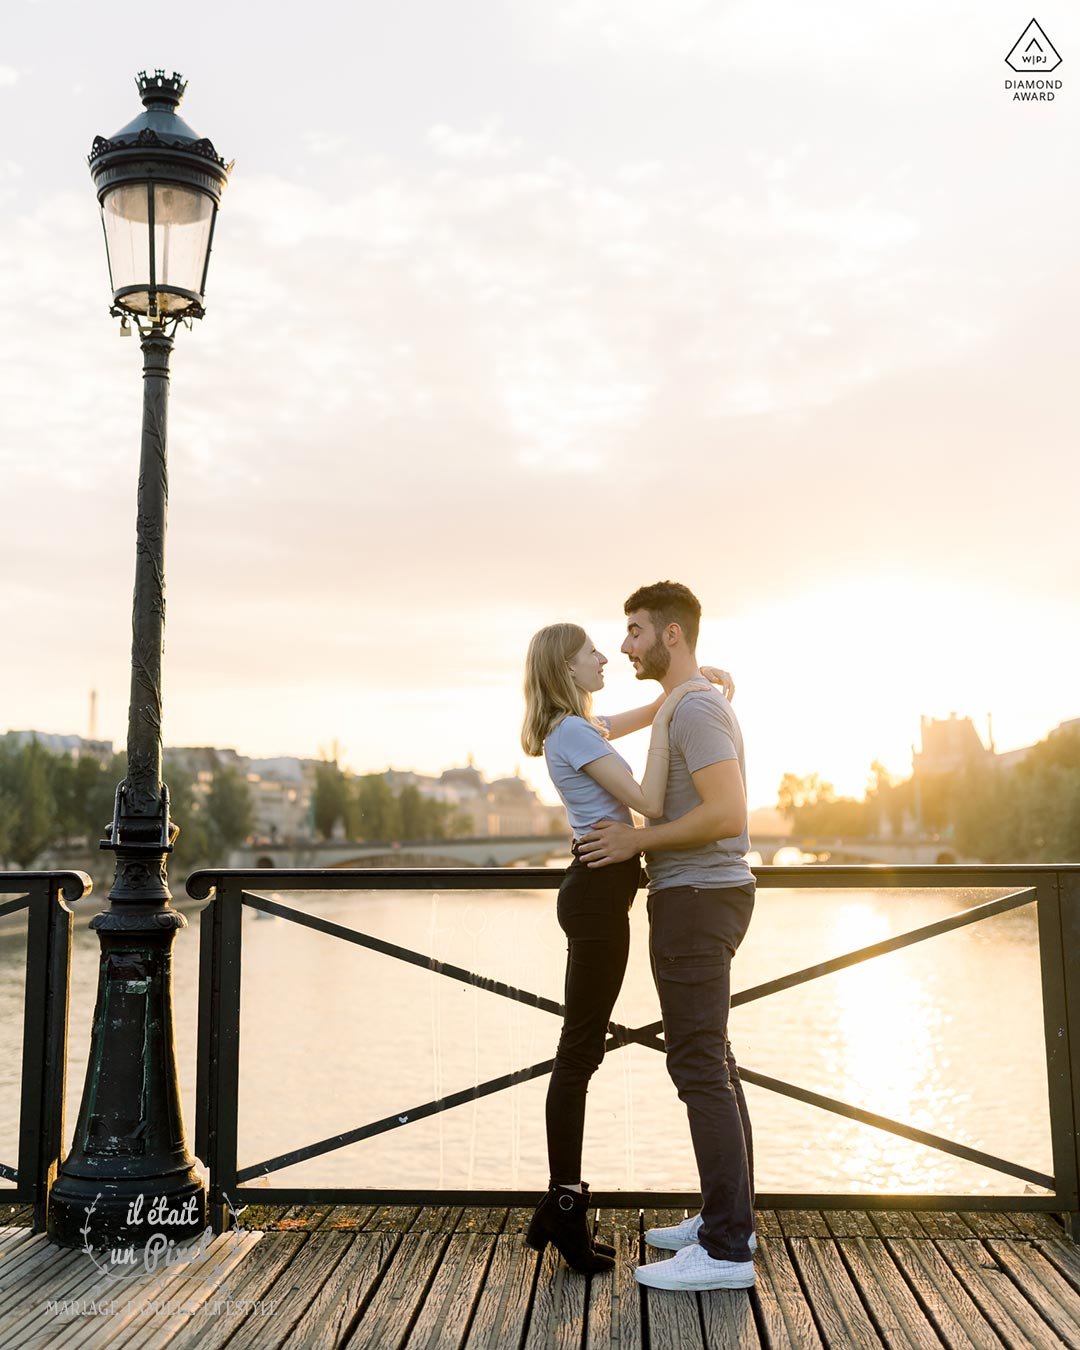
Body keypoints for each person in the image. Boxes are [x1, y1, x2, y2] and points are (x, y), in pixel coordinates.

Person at [520, 621, 733, 1274]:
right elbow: (646, 801)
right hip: (596, 900)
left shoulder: (575, 726)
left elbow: (635, 715)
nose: (604, 655)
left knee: (579, 1050)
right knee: (578, 1051)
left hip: (596, 894)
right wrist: (681, 709)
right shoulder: (577, 731)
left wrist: (683, 691)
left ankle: (561, 1206)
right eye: (590, 651)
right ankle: (562, 1207)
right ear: (565, 666)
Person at [577, 581, 756, 1292]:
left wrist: (636, 841)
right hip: (696, 896)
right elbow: (612, 726)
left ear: (672, 635)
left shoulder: (699, 709)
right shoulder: (686, 703)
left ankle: (726, 1251)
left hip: (697, 898)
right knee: (713, 1060)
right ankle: (726, 1216)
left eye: (634, 631)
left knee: (698, 1069)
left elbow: (727, 813)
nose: (624, 646)